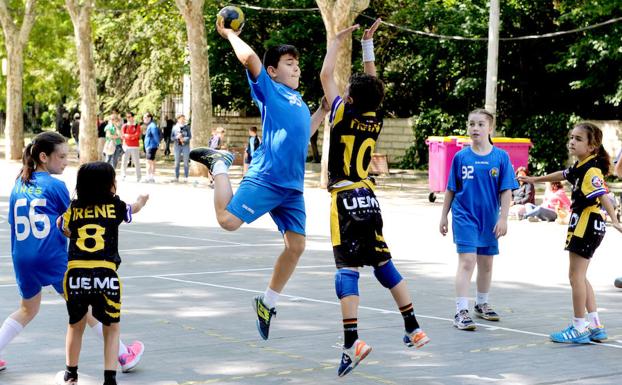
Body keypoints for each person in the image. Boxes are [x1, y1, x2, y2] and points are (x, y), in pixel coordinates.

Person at [190, 17, 328, 341]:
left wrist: (321, 111)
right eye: (289, 64)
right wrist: (228, 34)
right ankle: (219, 163)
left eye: (297, 64)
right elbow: (251, 59)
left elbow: (302, 134)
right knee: (227, 221)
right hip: (267, 178)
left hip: (292, 188)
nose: (296, 69)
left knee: (296, 246)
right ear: (273, 71)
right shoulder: (269, 90)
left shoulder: (298, 101)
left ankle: (267, 303)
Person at [320, 19, 429, 377]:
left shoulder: (342, 114)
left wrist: (335, 42)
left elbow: (325, 75)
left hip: (345, 198)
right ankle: (413, 326)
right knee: (384, 264)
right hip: (369, 197)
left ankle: (352, 341)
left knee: (346, 270)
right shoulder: (374, 116)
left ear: (349, 98)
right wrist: (368, 48)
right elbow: (372, 86)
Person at [2, 132, 144, 374]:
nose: (66, 161)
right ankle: (122, 355)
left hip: (22, 256)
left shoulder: (19, 184)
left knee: (28, 308)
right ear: (44, 157)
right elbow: (79, 217)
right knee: (85, 308)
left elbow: (13, 224)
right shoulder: (55, 186)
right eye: (62, 156)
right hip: (52, 257)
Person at [519, 122, 622, 343]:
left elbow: (603, 194)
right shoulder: (581, 166)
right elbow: (563, 174)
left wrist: (615, 220)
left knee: (574, 277)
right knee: (580, 276)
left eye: (578, 139)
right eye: (571, 137)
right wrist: (536, 180)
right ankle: (595, 325)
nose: (572, 142)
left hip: (586, 223)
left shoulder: (591, 169)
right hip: (584, 223)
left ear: (592, 146)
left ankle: (579, 327)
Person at [54, 162, 148, 385]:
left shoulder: (73, 208)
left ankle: (70, 375)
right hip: (106, 274)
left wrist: (68, 229)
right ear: (110, 185)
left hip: (76, 275)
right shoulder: (115, 206)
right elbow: (132, 208)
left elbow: (62, 226)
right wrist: (141, 201)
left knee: (75, 326)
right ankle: (109, 379)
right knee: (112, 328)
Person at [439, 109, 518, 331]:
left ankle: (481, 304)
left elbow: (506, 191)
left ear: (490, 129)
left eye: (480, 124)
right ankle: (461, 310)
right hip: (465, 216)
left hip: (489, 218)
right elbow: (451, 189)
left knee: (486, 263)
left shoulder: (501, 157)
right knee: (467, 261)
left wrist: (504, 218)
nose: (475, 128)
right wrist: (444, 215)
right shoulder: (461, 157)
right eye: (471, 124)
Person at [121, 112, 142, 182]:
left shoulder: (137, 125)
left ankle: (138, 177)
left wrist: (128, 136)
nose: (128, 118)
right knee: (124, 162)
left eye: (129, 117)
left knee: (136, 162)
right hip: (125, 146)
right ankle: (123, 175)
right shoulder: (124, 126)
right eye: (127, 117)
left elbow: (137, 135)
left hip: (135, 146)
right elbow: (122, 135)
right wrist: (131, 136)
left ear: (133, 117)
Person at [171, 114, 192, 182]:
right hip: (177, 146)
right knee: (177, 162)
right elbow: (172, 137)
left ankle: (186, 177)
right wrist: (177, 137)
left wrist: (184, 139)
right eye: (181, 119)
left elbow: (190, 136)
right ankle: (176, 177)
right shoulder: (174, 127)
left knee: (186, 161)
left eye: (184, 119)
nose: (183, 120)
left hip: (185, 146)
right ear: (178, 119)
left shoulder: (187, 127)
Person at [143, 112, 160, 183]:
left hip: (151, 146)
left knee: (149, 162)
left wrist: (158, 144)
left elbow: (156, 136)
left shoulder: (152, 126)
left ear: (149, 118)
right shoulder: (151, 125)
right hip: (151, 146)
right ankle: (151, 177)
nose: (144, 119)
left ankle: (149, 177)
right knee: (152, 161)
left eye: (145, 118)